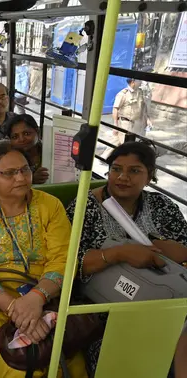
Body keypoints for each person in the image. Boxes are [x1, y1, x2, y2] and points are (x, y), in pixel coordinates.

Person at [0, 142, 87, 377]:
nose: (20, 178)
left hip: (46, 294)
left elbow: (63, 259)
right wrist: (17, 309)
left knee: (70, 365)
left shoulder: (50, 206)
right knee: (19, 368)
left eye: (25, 170)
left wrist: (37, 299)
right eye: (9, 173)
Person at [66, 141, 187, 376]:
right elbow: (69, 264)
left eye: (134, 171)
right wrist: (119, 253)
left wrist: (161, 248)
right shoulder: (85, 208)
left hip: (165, 297)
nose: (123, 177)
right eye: (116, 169)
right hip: (104, 309)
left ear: (149, 177)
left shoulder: (162, 206)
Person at [5, 114, 50, 184]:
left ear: (38, 132)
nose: (21, 139)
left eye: (26, 133)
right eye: (15, 137)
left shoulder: (51, 151)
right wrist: (31, 180)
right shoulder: (6, 159)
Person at [112, 78, 152, 144]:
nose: (141, 82)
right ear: (133, 82)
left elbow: (143, 107)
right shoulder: (123, 94)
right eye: (139, 80)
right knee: (122, 143)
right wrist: (115, 125)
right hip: (125, 124)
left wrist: (147, 119)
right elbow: (115, 109)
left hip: (136, 124)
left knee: (127, 144)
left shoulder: (140, 93)